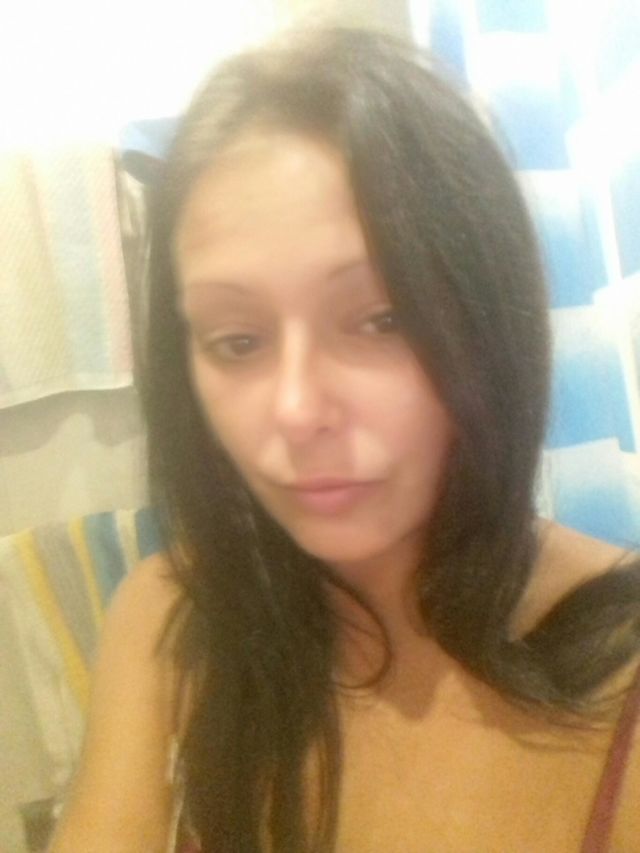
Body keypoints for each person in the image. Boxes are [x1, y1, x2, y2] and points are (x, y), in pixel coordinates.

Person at [50, 26, 640, 853]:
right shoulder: (170, 617)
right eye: (237, 340)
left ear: (484, 322)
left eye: (380, 319)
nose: (295, 410)